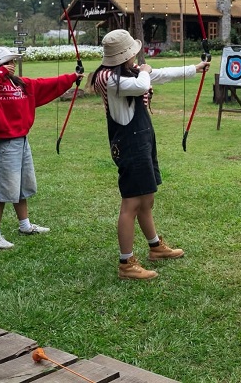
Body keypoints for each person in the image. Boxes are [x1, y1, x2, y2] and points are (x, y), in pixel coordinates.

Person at [90, 29, 210, 281]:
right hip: (129, 144)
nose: (136, 57)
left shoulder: (128, 72)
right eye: (132, 54)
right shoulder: (110, 78)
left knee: (146, 199)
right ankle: (126, 264)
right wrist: (144, 72)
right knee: (131, 203)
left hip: (142, 140)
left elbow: (161, 75)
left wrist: (195, 68)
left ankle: (155, 247)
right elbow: (142, 83)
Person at [0, 47, 82, 250]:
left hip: (21, 140)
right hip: (5, 143)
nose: (12, 65)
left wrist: (72, 77)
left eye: (12, 62)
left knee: (20, 187)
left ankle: (25, 225)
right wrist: (1, 72)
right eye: (8, 62)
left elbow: (45, 84)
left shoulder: (19, 83)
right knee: (3, 190)